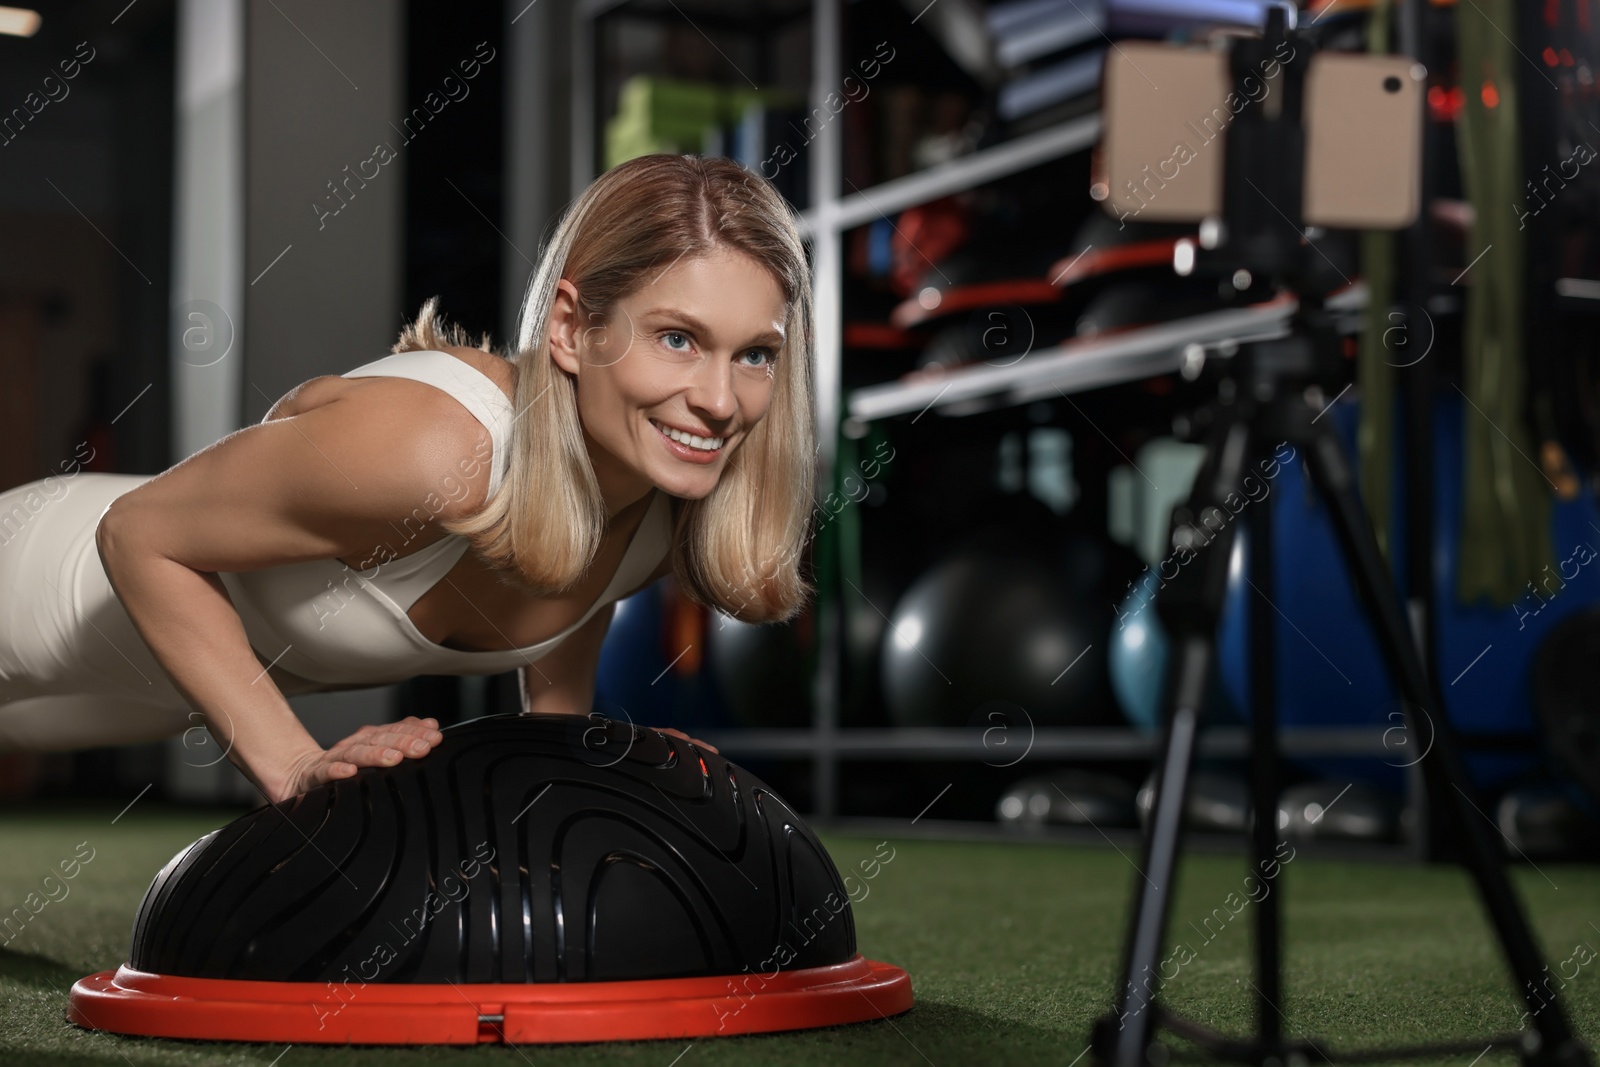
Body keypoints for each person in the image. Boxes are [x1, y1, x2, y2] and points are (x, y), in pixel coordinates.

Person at [0, 153, 816, 804]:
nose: (718, 400)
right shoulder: (442, 450)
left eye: (754, 354)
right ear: (570, 328)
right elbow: (137, 533)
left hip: (144, 688)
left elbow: (571, 599)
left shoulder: (665, 499)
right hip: (43, 585)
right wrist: (292, 767)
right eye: (678, 339)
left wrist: (577, 768)